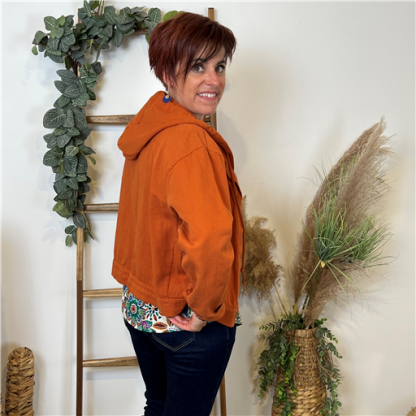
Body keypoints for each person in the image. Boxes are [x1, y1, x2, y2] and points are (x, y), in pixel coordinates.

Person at [112, 11, 245, 416]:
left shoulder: (150, 126)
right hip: (184, 320)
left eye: (220, 66)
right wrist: (205, 309)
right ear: (168, 72)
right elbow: (209, 237)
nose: (214, 80)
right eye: (198, 67)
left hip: (141, 310)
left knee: (158, 405)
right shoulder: (191, 142)